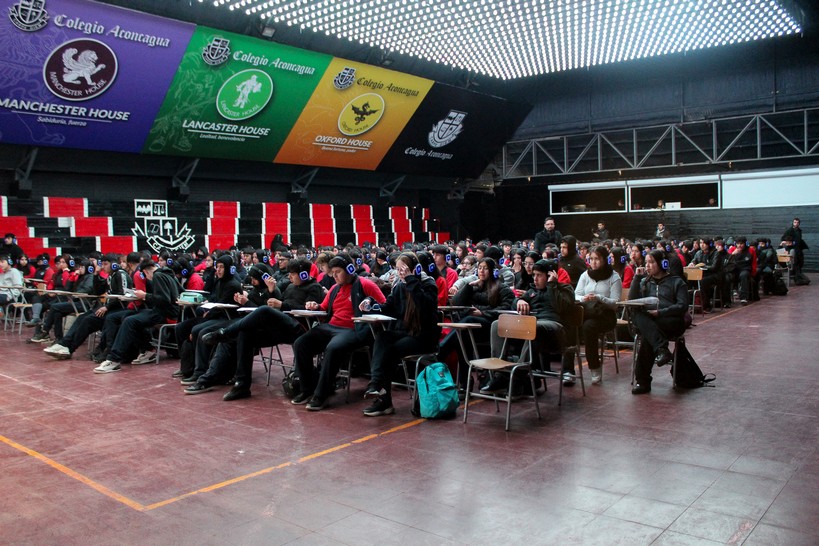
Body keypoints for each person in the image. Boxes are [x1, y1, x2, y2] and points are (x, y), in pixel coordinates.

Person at [195, 260, 325, 400]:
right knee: (245, 333)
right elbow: (279, 304)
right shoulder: (290, 287)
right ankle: (241, 385)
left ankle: (225, 332)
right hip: (281, 328)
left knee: (264, 310)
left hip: (299, 328)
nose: (289, 277)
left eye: (293, 274)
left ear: (304, 274)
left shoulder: (314, 288)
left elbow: (309, 310)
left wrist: (282, 305)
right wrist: (272, 296)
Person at [291, 254, 386, 411]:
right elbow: (323, 307)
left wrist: (370, 307)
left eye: (338, 272)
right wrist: (314, 306)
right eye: (332, 272)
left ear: (350, 269)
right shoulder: (335, 289)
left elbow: (385, 305)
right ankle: (307, 389)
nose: (334, 276)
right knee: (301, 343)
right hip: (331, 327)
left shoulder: (365, 285)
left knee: (333, 348)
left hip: (354, 329)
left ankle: (321, 395)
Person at [360, 252, 441, 416]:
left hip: (423, 337)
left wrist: (411, 280)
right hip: (403, 333)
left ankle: (383, 398)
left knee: (389, 351)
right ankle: (376, 386)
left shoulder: (428, 284)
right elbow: (387, 307)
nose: (400, 273)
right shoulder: (399, 287)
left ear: (414, 269)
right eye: (397, 270)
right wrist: (370, 304)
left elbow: (424, 306)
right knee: (382, 338)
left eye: (403, 269)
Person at [485, 259, 575, 393]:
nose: (535, 279)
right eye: (534, 275)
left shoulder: (564, 289)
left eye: (539, 275)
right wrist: (519, 301)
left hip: (555, 330)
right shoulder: (532, 291)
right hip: (533, 326)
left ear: (550, 275)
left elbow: (561, 307)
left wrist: (552, 285)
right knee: (497, 324)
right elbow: (514, 303)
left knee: (533, 326)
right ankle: (500, 373)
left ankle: (518, 376)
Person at [438, 257, 514, 392]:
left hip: (491, 326)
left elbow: (506, 309)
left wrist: (482, 313)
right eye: (479, 268)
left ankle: (441, 351)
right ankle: (465, 383)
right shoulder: (475, 287)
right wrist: (468, 286)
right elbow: (456, 302)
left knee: (467, 323)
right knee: (462, 336)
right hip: (471, 328)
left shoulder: (502, 288)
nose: (482, 271)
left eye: (485, 268)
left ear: (493, 271)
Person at [93, 259, 182, 373]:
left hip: (165, 313)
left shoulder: (158, 276)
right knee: (125, 317)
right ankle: (148, 349)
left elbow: (164, 299)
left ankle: (114, 359)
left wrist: (145, 295)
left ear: (145, 272)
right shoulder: (169, 274)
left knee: (130, 321)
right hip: (164, 311)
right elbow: (181, 291)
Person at [43, 254, 132, 360]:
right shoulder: (110, 276)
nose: (103, 267)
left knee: (88, 320)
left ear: (114, 265)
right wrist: (96, 274)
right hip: (107, 308)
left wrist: (107, 307)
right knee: (82, 317)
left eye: (106, 264)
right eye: (102, 264)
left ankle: (69, 348)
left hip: (117, 309)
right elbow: (98, 291)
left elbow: (122, 295)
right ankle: (64, 344)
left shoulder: (120, 274)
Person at [627, 250, 689, 395]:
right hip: (651, 321)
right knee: (639, 317)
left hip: (671, 321)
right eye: (646, 262)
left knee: (648, 336)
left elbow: (682, 306)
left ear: (663, 263)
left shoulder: (677, 282)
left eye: (651, 262)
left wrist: (661, 312)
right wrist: (637, 278)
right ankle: (661, 349)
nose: (647, 266)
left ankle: (643, 381)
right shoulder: (645, 281)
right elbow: (632, 301)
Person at [573, 246, 622, 385]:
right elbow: (576, 294)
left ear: (605, 260)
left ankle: (594, 367)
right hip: (588, 311)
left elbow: (615, 303)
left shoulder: (614, 277)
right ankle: (568, 368)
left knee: (588, 327)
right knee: (571, 323)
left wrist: (600, 298)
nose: (593, 262)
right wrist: (584, 298)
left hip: (605, 315)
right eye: (591, 259)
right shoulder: (585, 275)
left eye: (597, 259)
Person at [781, 217, 810, 285]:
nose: (796, 223)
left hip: (799, 249)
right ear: (793, 223)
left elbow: (799, 240)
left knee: (800, 263)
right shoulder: (790, 230)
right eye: (795, 222)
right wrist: (790, 242)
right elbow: (783, 238)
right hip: (793, 249)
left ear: (799, 223)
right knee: (795, 264)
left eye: (797, 222)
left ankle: (798, 278)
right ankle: (797, 279)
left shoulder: (799, 230)